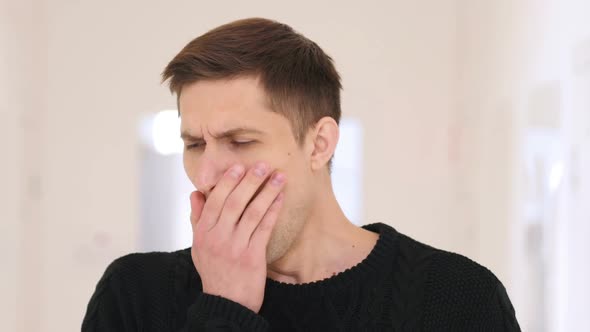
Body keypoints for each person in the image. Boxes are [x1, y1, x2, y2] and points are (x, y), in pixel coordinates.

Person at [82, 17, 521, 331]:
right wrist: (223, 307)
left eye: (240, 141)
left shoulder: (457, 297)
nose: (206, 175)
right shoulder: (135, 295)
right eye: (194, 144)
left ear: (319, 143)